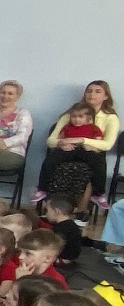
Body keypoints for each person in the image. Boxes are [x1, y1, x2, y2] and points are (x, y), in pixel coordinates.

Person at [32, 81, 119, 210]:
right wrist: (61, 143)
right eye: (89, 91)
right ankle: (52, 206)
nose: (92, 94)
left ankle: (84, 209)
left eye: (97, 91)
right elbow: (51, 141)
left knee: (88, 171)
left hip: (91, 154)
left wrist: (82, 140)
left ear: (106, 96)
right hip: (67, 151)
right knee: (55, 163)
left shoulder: (110, 118)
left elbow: (107, 144)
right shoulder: (71, 114)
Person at [39, 194, 84, 263]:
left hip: (62, 260)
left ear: (56, 212)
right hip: (71, 259)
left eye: (47, 210)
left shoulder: (61, 228)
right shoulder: (72, 225)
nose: (46, 214)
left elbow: (52, 247)